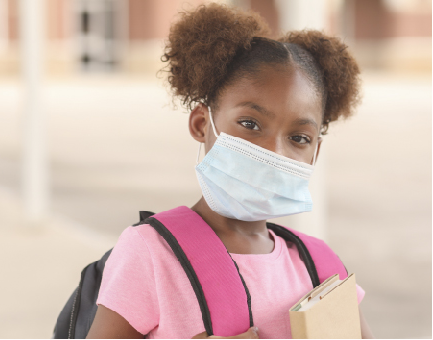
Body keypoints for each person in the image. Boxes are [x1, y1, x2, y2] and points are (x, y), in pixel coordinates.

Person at [87, 4, 374, 339]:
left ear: (316, 152)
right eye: (250, 124)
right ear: (200, 124)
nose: (273, 152)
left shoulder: (319, 268)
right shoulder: (151, 252)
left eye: (299, 138)